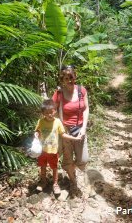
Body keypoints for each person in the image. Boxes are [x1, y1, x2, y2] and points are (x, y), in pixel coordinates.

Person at [52, 65, 89, 195]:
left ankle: (71, 170)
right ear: (62, 79)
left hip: (79, 130)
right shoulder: (59, 93)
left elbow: (86, 109)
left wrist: (83, 128)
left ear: (75, 76)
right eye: (66, 78)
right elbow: (51, 111)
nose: (69, 80)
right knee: (67, 160)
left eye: (71, 77)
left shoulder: (81, 90)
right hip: (65, 132)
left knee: (83, 160)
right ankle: (73, 182)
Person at [34, 99, 81, 195]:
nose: (50, 114)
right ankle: (43, 181)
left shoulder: (58, 122)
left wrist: (74, 138)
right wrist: (36, 134)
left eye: (51, 112)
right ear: (43, 113)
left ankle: (55, 184)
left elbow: (63, 134)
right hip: (42, 150)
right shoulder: (41, 122)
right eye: (47, 113)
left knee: (54, 168)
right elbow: (37, 131)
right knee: (42, 166)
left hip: (53, 151)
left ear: (55, 110)